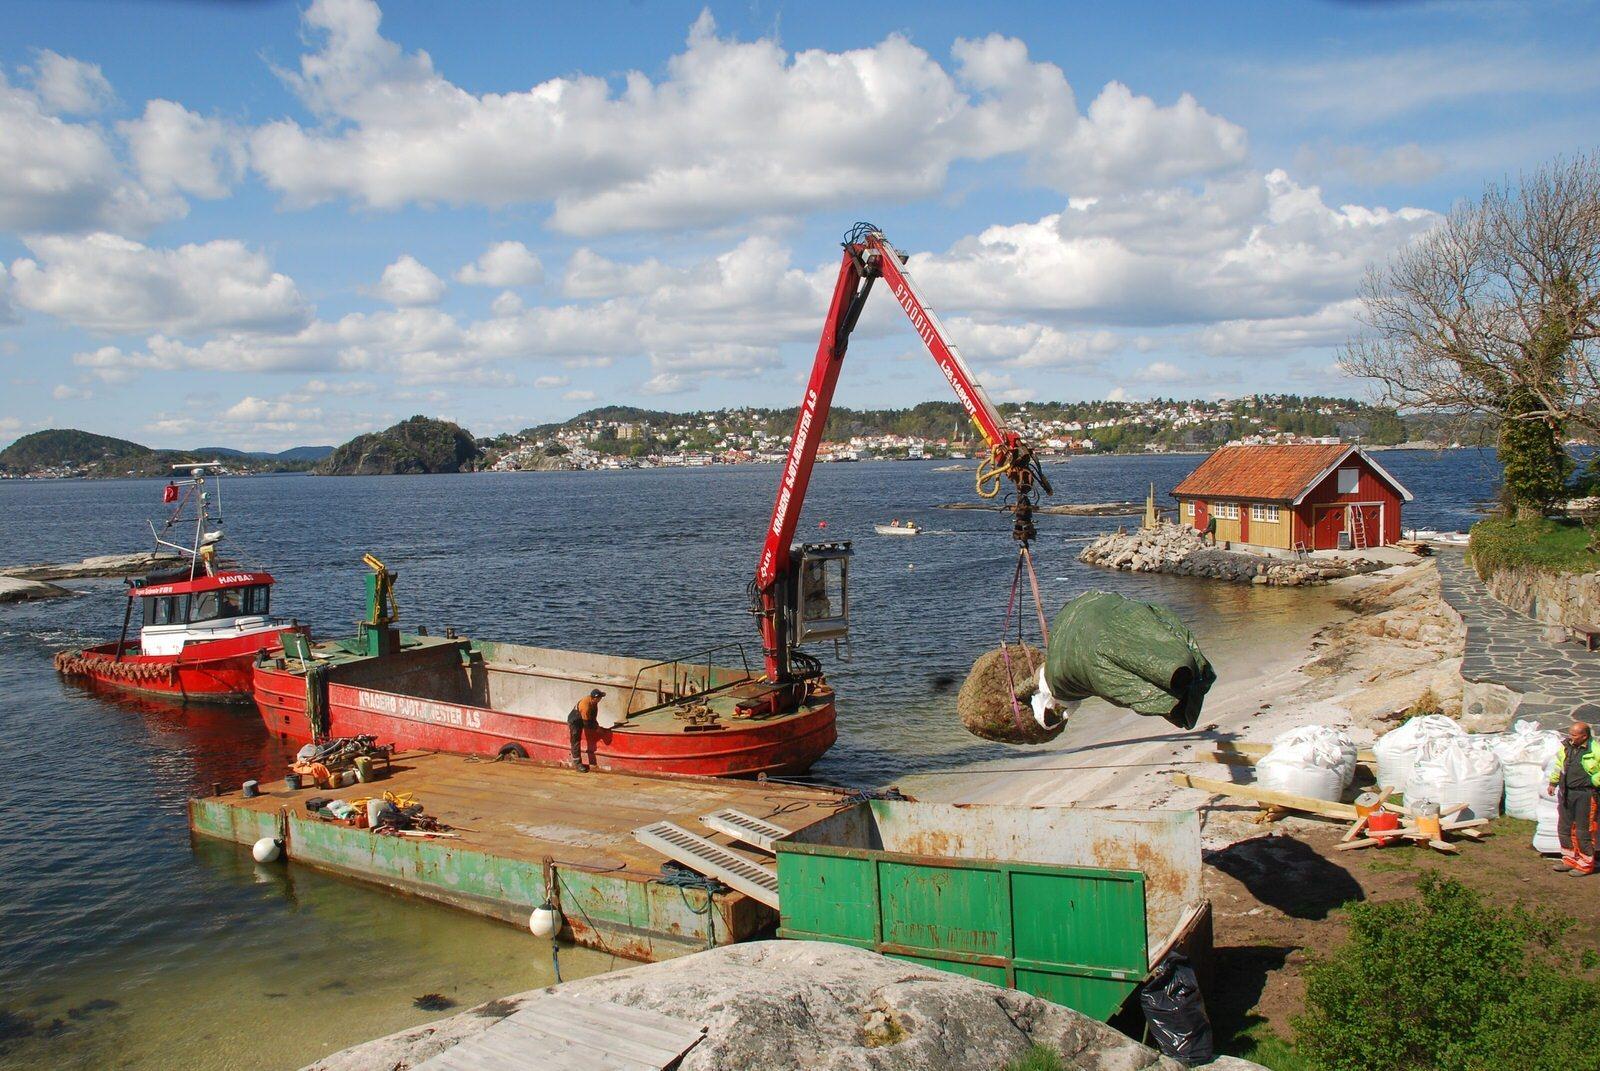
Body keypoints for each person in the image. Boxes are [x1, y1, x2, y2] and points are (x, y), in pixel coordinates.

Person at [1548, 720, 1600, 875]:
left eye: (1574, 735)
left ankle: (1585, 864)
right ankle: (1570, 859)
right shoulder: (1567, 747)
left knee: (1584, 830)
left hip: (1586, 794)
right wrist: (1553, 782)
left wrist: (1593, 780)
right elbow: (1559, 765)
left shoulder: (1596, 751)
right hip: (1566, 793)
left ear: (1584, 736)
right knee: (1565, 827)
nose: (1570, 737)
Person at [568, 688, 604, 772]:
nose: (600, 699)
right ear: (594, 698)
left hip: (583, 718)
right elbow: (587, 722)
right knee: (575, 740)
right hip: (575, 720)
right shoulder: (585, 705)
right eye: (599, 698)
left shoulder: (594, 702)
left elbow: (593, 717)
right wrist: (596, 729)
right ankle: (577, 764)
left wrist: (597, 726)